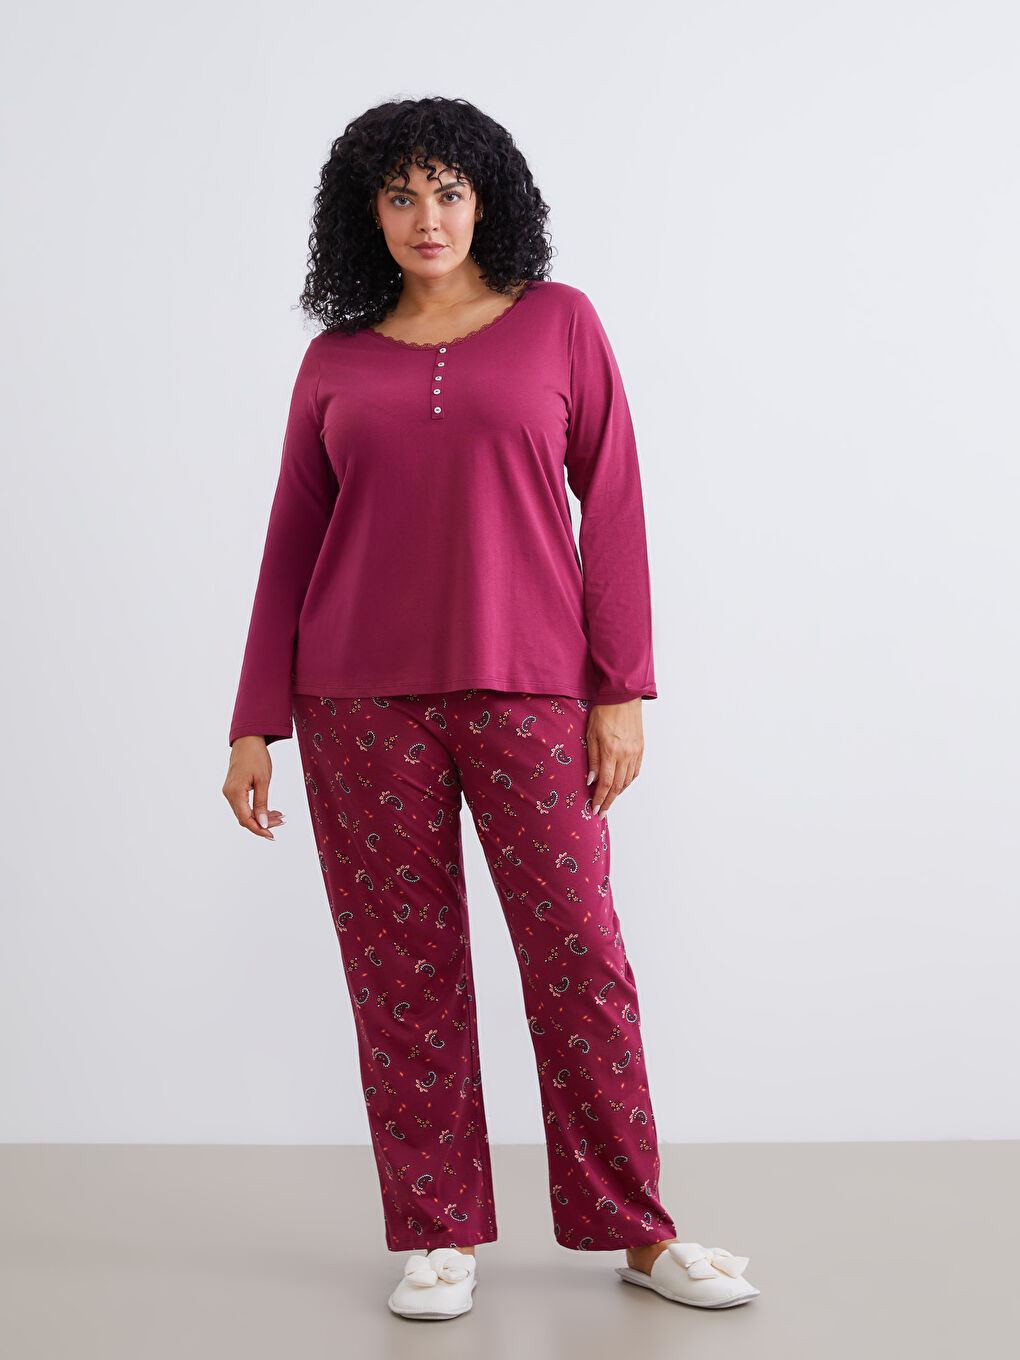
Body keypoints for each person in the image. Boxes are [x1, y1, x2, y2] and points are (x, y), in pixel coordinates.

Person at [221, 95, 760, 1321]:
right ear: (367, 212)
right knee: (400, 967)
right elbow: (292, 539)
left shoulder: (561, 324)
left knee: (580, 954)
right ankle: (437, 1230)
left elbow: (612, 504)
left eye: (450, 191)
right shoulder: (335, 361)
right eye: (401, 193)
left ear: (487, 200)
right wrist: (255, 720)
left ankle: (636, 1228)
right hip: (356, 699)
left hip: (530, 689)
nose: (428, 216)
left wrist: (620, 686)